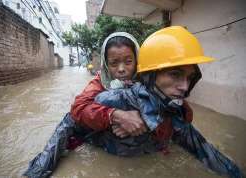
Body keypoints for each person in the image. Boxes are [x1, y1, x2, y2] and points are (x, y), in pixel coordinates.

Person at [93, 26, 244, 178]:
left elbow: (206, 152)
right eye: (175, 74)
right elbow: (74, 121)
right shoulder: (112, 99)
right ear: (149, 76)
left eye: (190, 78)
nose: (185, 87)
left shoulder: (174, 113)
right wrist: (114, 116)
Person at [23, 32, 147, 178]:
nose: (121, 69)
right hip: (108, 137)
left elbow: (168, 106)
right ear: (106, 64)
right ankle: (38, 170)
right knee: (71, 119)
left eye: (128, 62)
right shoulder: (100, 81)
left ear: (137, 60)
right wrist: (115, 116)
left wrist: (144, 121)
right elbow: (78, 108)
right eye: (114, 63)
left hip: (139, 140)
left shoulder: (148, 78)